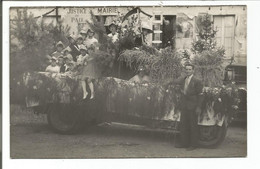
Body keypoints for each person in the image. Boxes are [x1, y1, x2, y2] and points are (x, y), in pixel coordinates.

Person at [173, 63, 203, 151]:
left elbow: (200, 95)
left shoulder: (197, 81)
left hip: (193, 106)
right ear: (184, 70)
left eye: (190, 69)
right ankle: (184, 143)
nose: (188, 71)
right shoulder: (184, 79)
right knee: (183, 125)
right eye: (186, 69)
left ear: (193, 70)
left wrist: (198, 107)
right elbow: (178, 85)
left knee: (193, 126)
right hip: (184, 105)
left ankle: (194, 145)